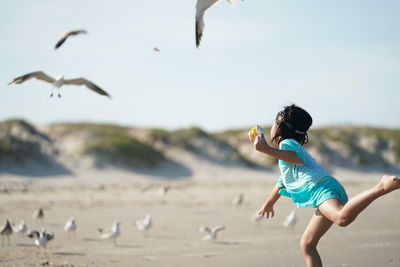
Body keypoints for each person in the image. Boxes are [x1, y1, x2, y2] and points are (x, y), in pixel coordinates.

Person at [251, 104, 400, 267]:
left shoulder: (287, 144)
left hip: (321, 188)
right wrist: (269, 203)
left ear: (281, 128)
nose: (272, 126)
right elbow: (282, 182)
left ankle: (381, 187)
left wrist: (265, 149)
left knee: (342, 218)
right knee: (307, 244)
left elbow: (294, 158)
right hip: (323, 188)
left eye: (274, 122)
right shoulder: (290, 148)